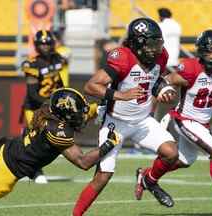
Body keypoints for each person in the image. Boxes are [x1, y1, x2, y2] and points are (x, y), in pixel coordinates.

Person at [0, 88, 119, 216]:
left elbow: (80, 113)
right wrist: (108, 145)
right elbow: (83, 162)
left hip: (9, 148)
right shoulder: (58, 132)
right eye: (78, 112)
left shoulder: (49, 110)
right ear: (65, 115)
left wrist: (101, 106)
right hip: (10, 169)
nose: (81, 116)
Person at [73, 17, 179, 216]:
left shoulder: (161, 56)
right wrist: (120, 95)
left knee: (171, 153)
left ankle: (147, 180)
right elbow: (91, 86)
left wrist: (164, 90)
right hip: (117, 122)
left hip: (142, 121)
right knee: (103, 176)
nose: (156, 48)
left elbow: (154, 80)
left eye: (158, 43)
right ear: (138, 43)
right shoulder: (123, 57)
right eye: (151, 44)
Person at [138, 30, 212, 209]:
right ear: (200, 52)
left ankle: (146, 177)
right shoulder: (191, 69)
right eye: (208, 52)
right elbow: (161, 82)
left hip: (201, 123)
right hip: (184, 119)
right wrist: (150, 108)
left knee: (185, 161)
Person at [21, 30, 67, 183]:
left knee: (56, 137)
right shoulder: (32, 64)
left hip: (51, 105)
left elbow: (61, 83)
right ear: (36, 45)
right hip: (34, 107)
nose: (45, 47)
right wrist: (50, 104)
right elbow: (32, 94)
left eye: (47, 43)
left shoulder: (58, 59)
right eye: (42, 44)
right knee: (34, 141)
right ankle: (35, 171)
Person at [158, 8, 181, 72]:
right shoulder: (177, 25)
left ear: (161, 16)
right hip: (175, 60)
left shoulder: (160, 26)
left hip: (164, 61)